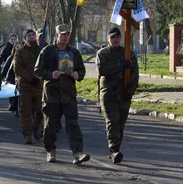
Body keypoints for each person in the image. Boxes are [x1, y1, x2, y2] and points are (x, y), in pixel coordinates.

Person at [35, 24, 89, 164]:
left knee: (73, 124)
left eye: (67, 34)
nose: (65, 37)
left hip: (68, 94)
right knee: (50, 125)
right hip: (51, 94)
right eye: (63, 34)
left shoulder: (75, 53)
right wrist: (50, 74)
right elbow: (37, 70)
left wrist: (78, 74)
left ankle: (77, 153)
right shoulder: (47, 51)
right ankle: (50, 150)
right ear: (56, 35)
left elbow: (82, 70)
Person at [96, 27, 139, 164]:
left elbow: (134, 73)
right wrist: (120, 65)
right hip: (108, 93)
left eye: (117, 37)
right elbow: (103, 70)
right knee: (112, 121)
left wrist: (130, 91)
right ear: (108, 39)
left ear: (120, 38)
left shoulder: (128, 53)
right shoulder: (103, 53)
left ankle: (115, 150)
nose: (115, 40)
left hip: (124, 93)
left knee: (120, 123)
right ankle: (114, 150)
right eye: (112, 37)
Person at [13, 29, 43, 144]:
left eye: (33, 35)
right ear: (25, 37)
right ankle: (27, 134)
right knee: (26, 112)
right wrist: (31, 78)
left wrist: (39, 77)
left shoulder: (41, 49)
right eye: (29, 35)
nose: (31, 36)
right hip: (25, 86)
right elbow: (17, 67)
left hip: (39, 86)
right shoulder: (20, 50)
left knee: (40, 111)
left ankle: (36, 128)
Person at [0, 34, 18, 112]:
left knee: (16, 91)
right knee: (11, 89)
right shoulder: (6, 49)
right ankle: (11, 103)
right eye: (12, 39)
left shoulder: (19, 49)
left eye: (14, 39)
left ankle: (15, 105)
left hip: (17, 72)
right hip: (8, 71)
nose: (13, 41)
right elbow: (1, 59)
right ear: (9, 40)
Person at [1, 45, 19, 117]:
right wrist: (3, 79)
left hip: (21, 78)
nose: (18, 49)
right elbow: (7, 69)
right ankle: (15, 108)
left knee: (19, 95)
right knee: (14, 95)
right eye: (17, 47)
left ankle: (17, 108)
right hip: (12, 78)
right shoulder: (11, 57)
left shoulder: (24, 57)